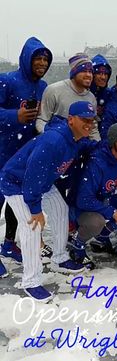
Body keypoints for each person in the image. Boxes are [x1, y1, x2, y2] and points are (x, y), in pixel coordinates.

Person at [0, 101, 97, 302]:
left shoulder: (76, 137)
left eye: (92, 120)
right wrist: (35, 209)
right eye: (84, 120)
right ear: (71, 120)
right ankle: (31, 281)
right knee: (32, 226)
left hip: (43, 182)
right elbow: (32, 177)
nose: (89, 124)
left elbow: (88, 145)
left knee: (60, 210)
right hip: (17, 182)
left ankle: (60, 257)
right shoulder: (54, 141)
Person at [0, 37, 53, 264]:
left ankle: (9, 244)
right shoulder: (7, 81)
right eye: (37, 58)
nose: (42, 63)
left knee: (17, 200)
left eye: (45, 59)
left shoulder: (43, 87)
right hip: (3, 149)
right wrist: (16, 116)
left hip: (25, 153)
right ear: (26, 59)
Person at [68, 123, 117, 265]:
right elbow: (83, 199)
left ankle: (102, 237)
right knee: (96, 222)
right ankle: (77, 247)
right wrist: (113, 212)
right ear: (113, 141)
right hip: (83, 206)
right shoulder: (97, 162)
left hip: (107, 198)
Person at [36, 52, 100, 140]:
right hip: (56, 145)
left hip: (80, 148)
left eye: (90, 72)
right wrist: (53, 139)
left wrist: (97, 148)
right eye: (84, 71)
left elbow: (93, 130)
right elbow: (41, 120)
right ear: (74, 72)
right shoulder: (53, 90)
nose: (88, 75)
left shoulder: (91, 98)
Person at [91, 54, 112, 122]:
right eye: (99, 73)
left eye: (105, 74)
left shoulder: (110, 94)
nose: (103, 77)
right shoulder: (83, 94)